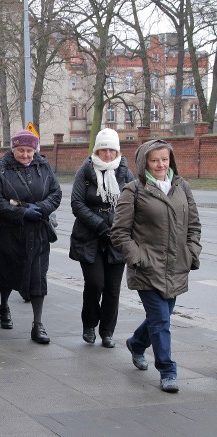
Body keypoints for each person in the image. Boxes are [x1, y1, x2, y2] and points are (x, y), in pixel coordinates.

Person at [111, 139, 201, 393]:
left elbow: (193, 225)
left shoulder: (181, 186)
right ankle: (168, 370)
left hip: (177, 266)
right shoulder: (134, 190)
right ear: (144, 163)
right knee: (161, 320)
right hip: (148, 267)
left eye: (165, 159)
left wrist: (192, 251)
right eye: (155, 160)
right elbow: (119, 232)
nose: (161, 164)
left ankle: (137, 344)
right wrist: (138, 258)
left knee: (160, 317)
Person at [0, 129, 62, 344]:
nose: (26, 155)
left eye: (29, 151)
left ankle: (38, 325)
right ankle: (4, 306)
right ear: (13, 149)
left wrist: (42, 207)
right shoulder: (1, 169)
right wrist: (21, 212)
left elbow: (56, 192)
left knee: (39, 277)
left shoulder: (43, 166)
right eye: (21, 150)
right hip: (10, 232)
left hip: (38, 230)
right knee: (9, 273)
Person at [69, 128, 134, 348]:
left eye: (111, 150)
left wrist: (117, 227)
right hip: (89, 237)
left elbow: (134, 203)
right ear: (97, 150)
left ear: (117, 151)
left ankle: (107, 331)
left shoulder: (125, 172)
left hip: (117, 238)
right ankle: (89, 324)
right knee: (95, 283)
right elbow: (77, 204)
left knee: (113, 289)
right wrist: (100, 225)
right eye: (103, 149)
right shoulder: (85, 171)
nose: (107, 154)